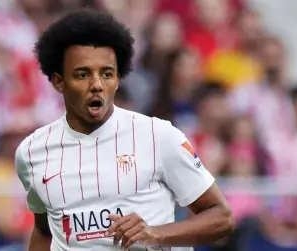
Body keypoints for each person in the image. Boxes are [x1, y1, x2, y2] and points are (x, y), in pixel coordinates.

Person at [15, 9, 234, 251]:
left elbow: (221, 217)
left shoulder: (158, 136)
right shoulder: (33, 151)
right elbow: (46, 231)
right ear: (58, 82)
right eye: (82, 74)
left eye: (107, 74)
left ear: (118, 79)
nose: (97, 85)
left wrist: (156, 234)